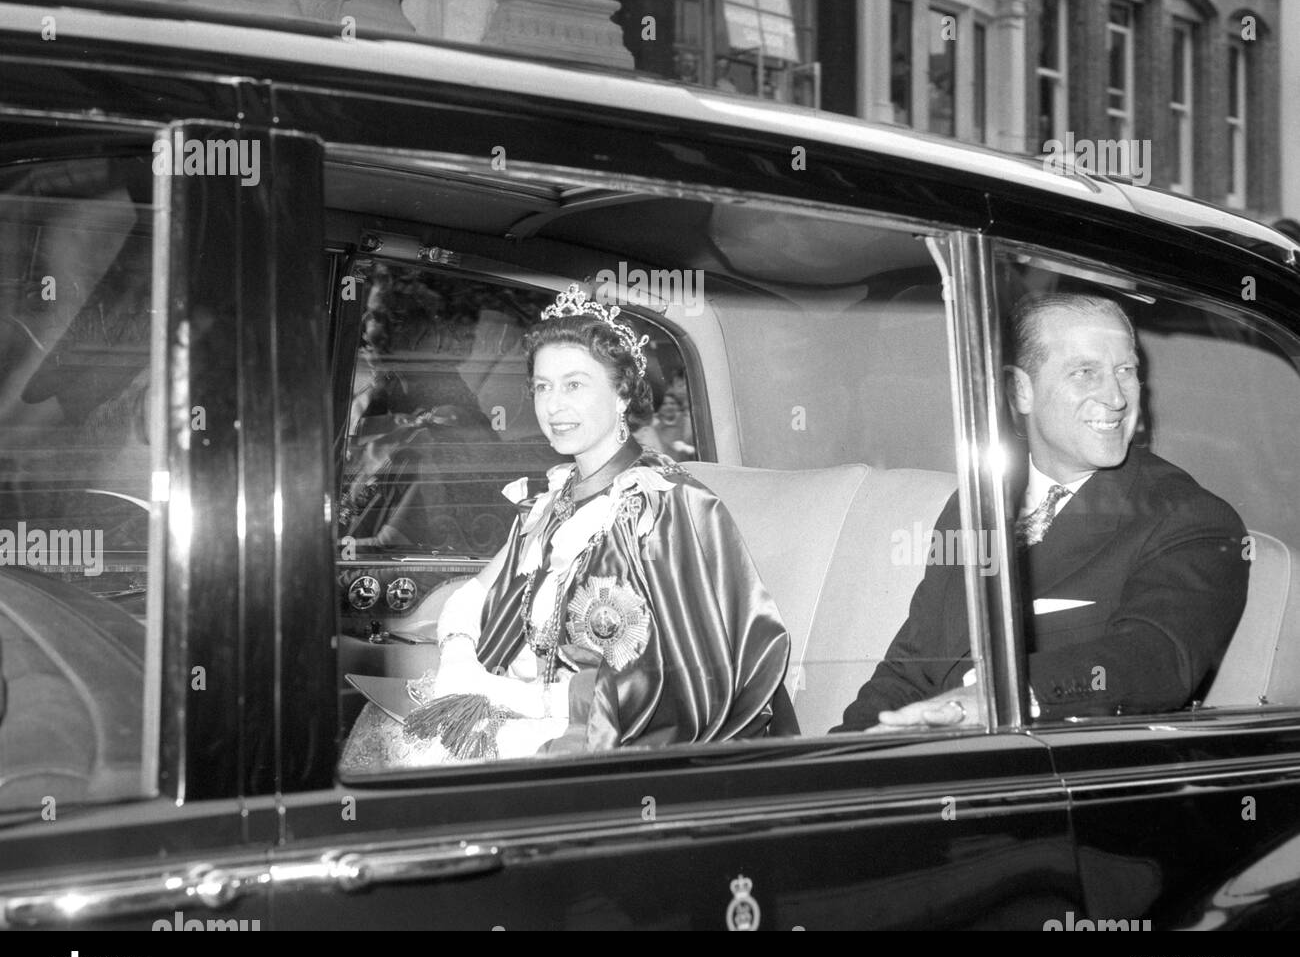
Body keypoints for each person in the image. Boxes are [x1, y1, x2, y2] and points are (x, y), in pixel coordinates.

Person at [340, 285, 791, 768]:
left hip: (604, 735)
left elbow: (676, 682)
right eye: (542, 386)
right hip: (520, 708)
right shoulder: (550, 499)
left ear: (621, 394)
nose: (553, 406)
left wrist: (510, 696)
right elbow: (472, 594)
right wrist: (457, 660)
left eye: (574, 384)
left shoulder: (668, 506)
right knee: (383, 729)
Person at [835, 291, 1248, 731]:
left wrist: (996, 699)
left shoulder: (1189, 517)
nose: (1116, 398)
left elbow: (1156, 658)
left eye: (1126, 371)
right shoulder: (976, 503)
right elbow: (914, 663)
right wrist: (842, 756)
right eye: (1085, 373)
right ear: (1020, 390)